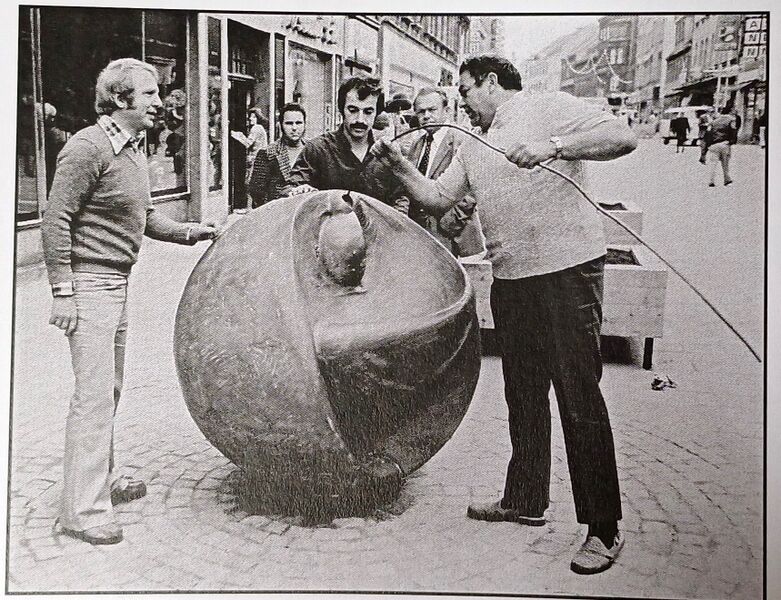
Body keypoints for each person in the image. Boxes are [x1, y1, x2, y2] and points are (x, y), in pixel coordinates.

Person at [372, 55, 637, 575]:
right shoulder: (474, 143)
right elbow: (438, 198)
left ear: (492, 82)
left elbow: (622, 137)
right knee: (523, 393)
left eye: (466, 91)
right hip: (513, 280)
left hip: (568, 273)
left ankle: (604, 527)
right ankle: (526, 498)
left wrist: (553, 147)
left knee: (578, 395)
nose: (463, 104)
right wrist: (398, 164)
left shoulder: (546, 107)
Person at [41, 58, 219, 546]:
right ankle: (81, 511)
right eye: (150, 94)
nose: (160, 102)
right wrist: (63, 291)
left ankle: (102, 478)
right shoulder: (88, 147)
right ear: (121, 100)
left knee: (110, 389)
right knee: (94, 396)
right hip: (89, 285)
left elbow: (145, 217)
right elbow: (55, 219)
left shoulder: (132, 148)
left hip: (117, 284)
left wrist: (191, 232)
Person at [286, 76, 407, 213]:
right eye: (353, 110)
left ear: (376, 113)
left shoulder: (387, 153)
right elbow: (291, 188)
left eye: (368, 112)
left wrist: (396, 218)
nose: (360, 119)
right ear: (341, 110)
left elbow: (401, 197)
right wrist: (300, 191)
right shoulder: (317, 149)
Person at [406, 87, 482, 256]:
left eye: (432, 110)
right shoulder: (417, 144)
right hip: (421, 234)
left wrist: (448, 225)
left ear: (446, 111)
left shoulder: (463, 140)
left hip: (455, 237)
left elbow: (472, 192)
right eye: (421, 112)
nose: (426, 116)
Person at [248, 103, 306, 208]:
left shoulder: (312, 150)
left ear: (305, 124)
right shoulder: (268, 153)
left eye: (298, 123)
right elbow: (256, 191)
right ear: (280, 125)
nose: (294, 128)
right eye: (289, 123)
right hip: (278, 212)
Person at [707, 105, 736, 187]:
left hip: (714, 144)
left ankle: (711, 180)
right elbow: (733, 130)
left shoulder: (714, 121)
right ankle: (727, 179)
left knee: (713, 164)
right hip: (725, 144)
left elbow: (708, 132)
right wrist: (731, 141)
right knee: (725, 164)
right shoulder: (731, 120)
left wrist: (709, 145)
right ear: (730, 111)